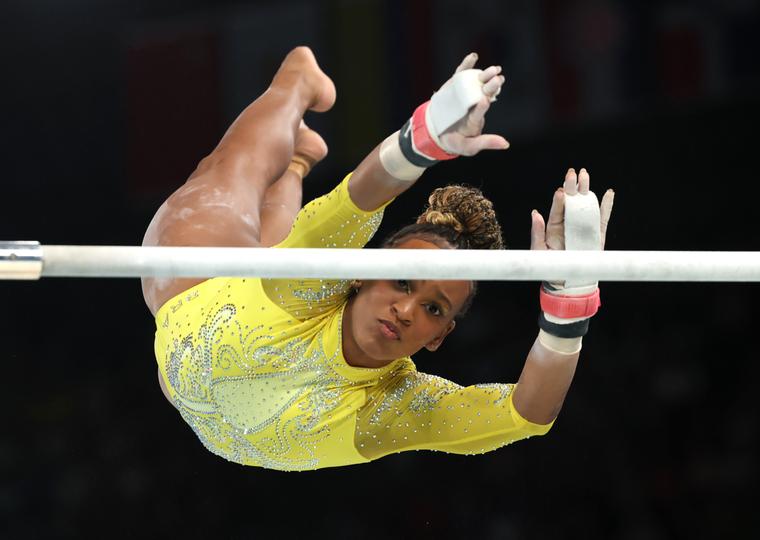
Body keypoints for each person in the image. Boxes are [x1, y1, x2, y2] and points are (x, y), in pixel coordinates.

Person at [141, 47, 614, 471]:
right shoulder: (319, 272)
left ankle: (300, 161)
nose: (406, 311)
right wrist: (425, 137)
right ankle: (297, 81)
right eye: (401, 283)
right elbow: (360, 197)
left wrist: (567, 305)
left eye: (433, 309)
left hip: (201, 377)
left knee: (280, 254)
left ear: (440, 336)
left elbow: (525, 415)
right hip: (194, 296)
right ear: (362, 275)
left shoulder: (396, 406)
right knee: (230, 174)